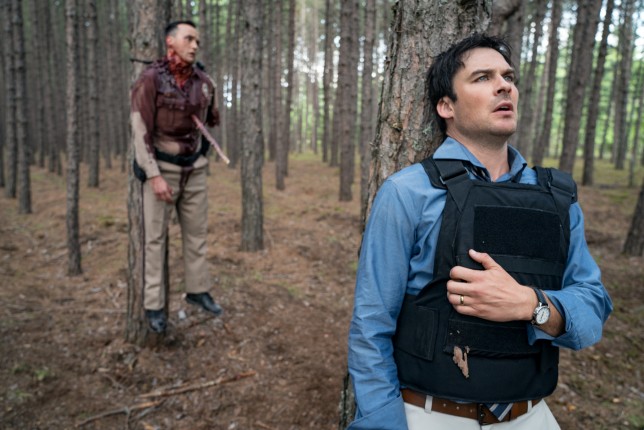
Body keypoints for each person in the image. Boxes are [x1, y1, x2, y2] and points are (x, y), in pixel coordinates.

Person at [347, 34, 613, 429]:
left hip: (531, 417)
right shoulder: (408, 193)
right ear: (446, 106)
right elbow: (371, 327)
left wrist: (531, 304)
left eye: (508, 77)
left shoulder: (557, 198)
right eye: (483, 77)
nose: (504, 86)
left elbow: (592, 307)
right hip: (431, 416)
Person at [131, 20, 223, 334]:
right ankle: (153, 305)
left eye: (197, 41)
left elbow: (211, 118)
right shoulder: (151, 79)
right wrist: (153, 175)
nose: (195, 45)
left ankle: (198, 290)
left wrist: (209, 90)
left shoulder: (202, 81)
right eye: (189, 39)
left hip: (194, 170)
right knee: (155, 240)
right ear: (170, 41)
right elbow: (140, 130)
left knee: (196, 235)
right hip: (161, 170)